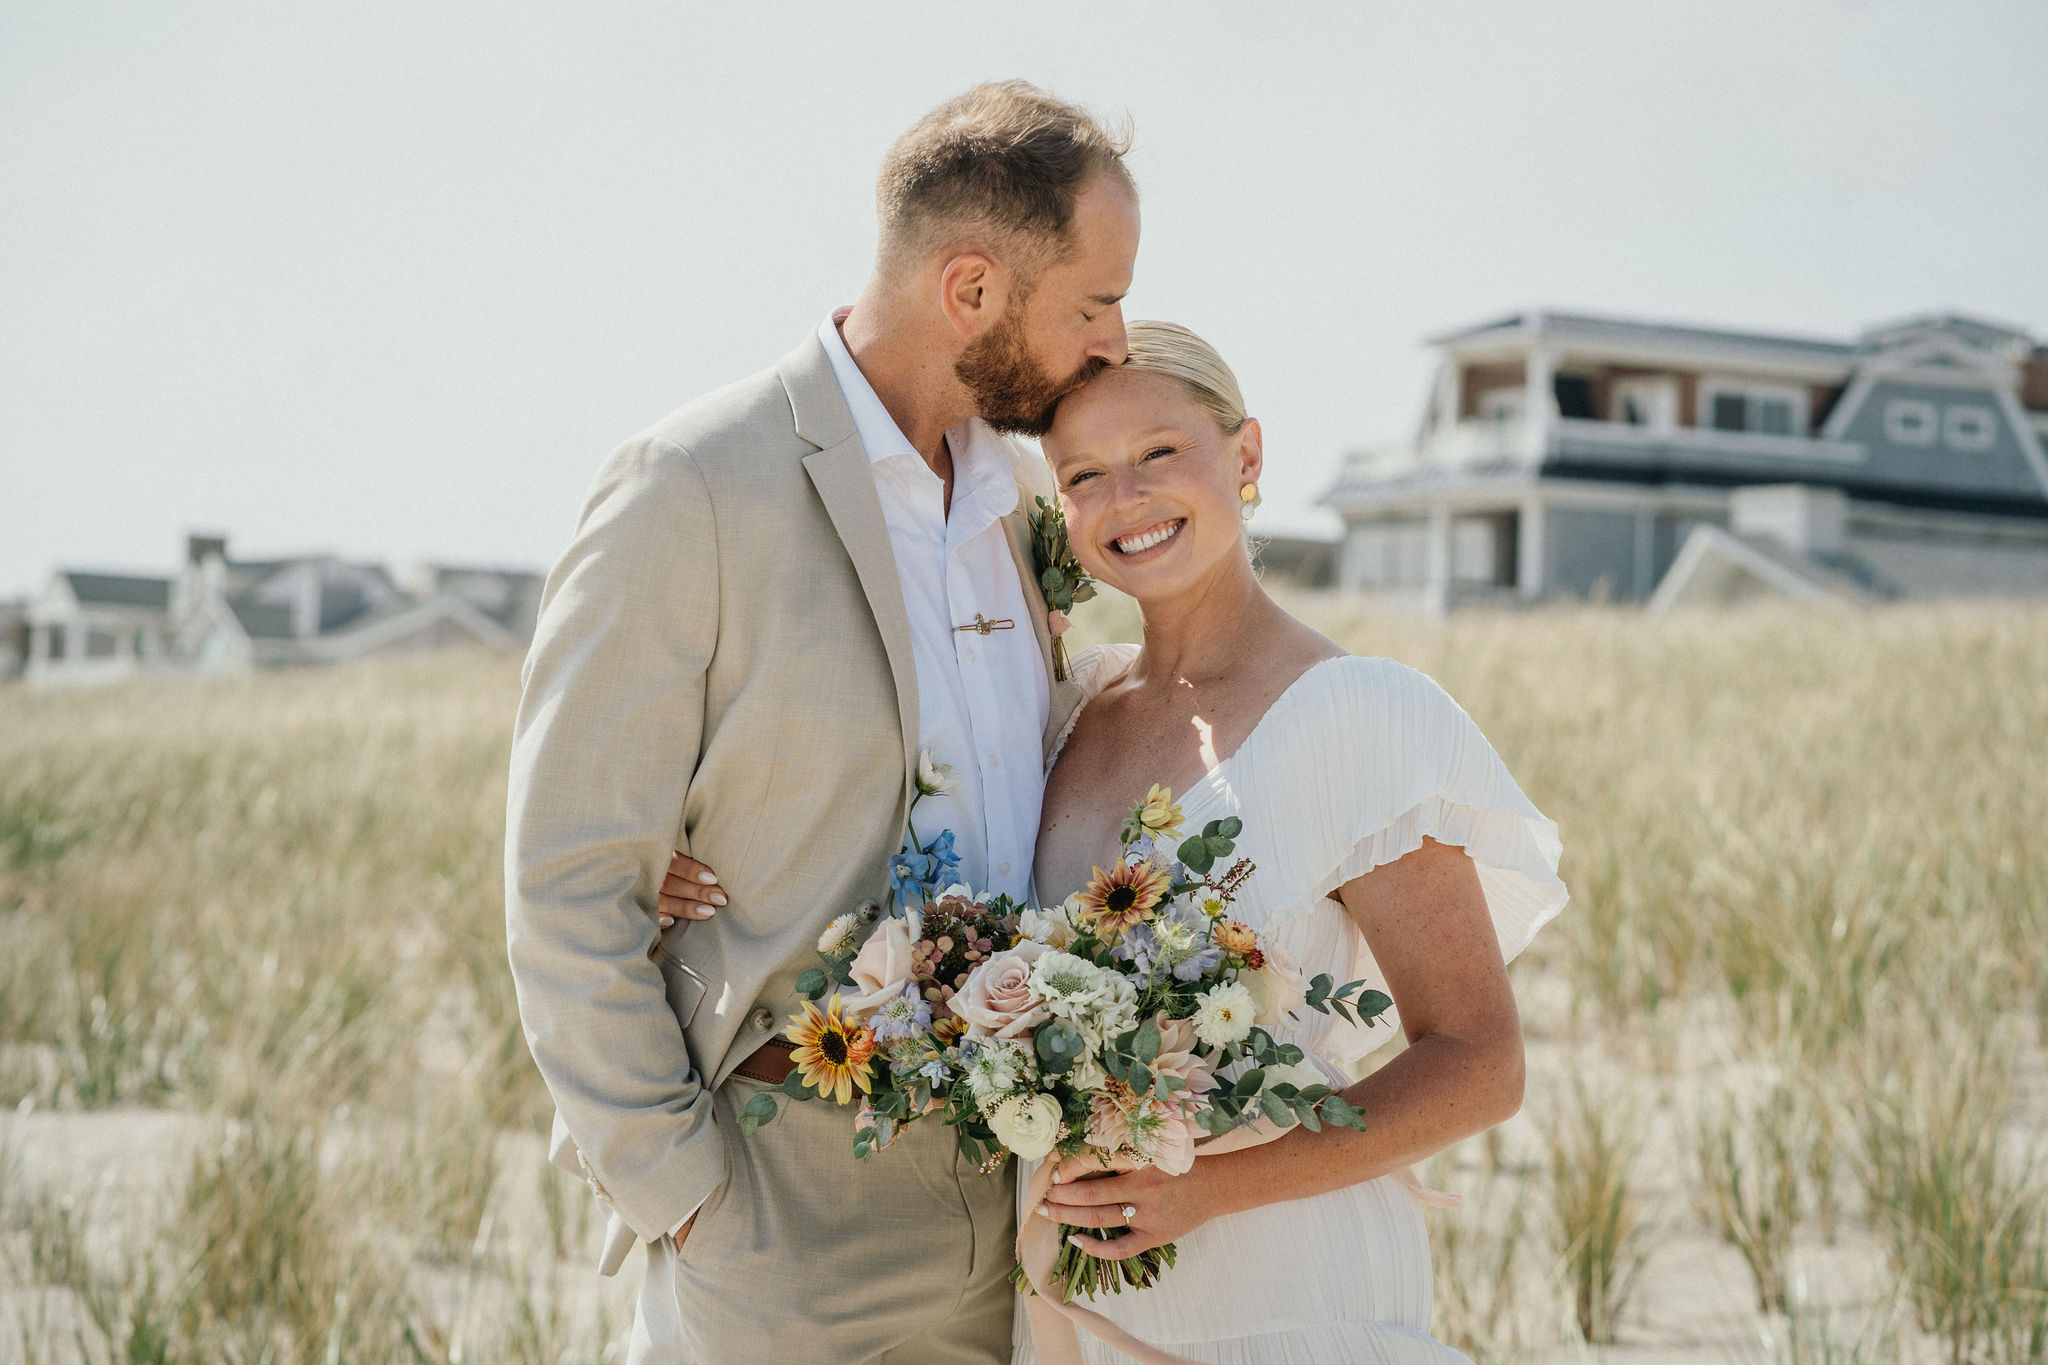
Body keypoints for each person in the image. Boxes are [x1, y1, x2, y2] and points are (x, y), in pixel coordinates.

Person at [504, 81, 1139, 1365]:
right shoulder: (691, 484)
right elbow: (567, 872)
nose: (1116, 344)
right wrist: (684, 1194)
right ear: (971, 291)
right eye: (1093, 304)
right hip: (778, 1197)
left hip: (1013, 1201)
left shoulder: (1021, 497)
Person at [1018, 321, 1569, 1364]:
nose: (1124, 501)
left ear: (1247, 455)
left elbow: (1477, 1063)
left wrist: (1209, 1190)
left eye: (1158, 454)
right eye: (1083, 474)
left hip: (1284, 1292)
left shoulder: (1359, 717)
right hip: (1075, 1303)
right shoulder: (1070, 710)